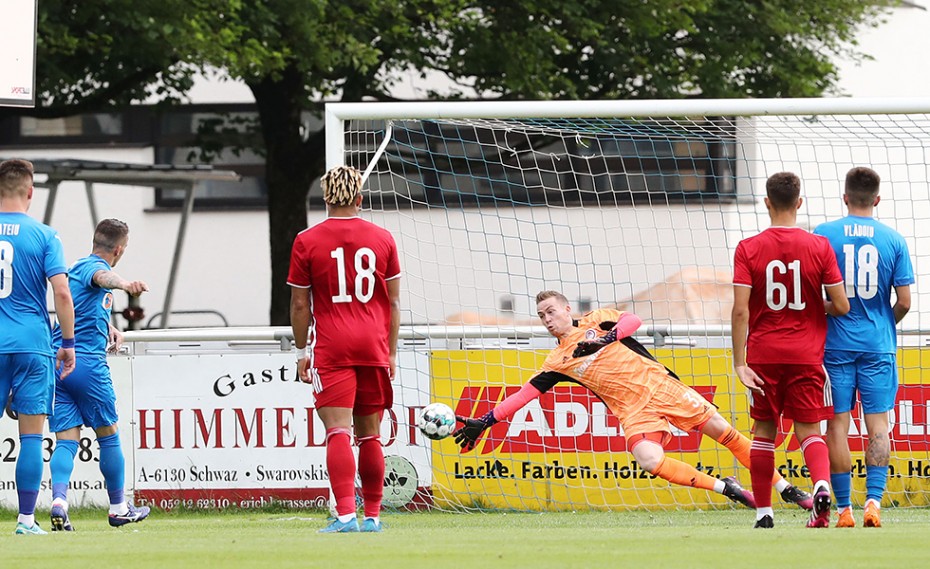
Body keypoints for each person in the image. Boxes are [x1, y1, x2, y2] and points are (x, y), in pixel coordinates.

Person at [454, 290, 815, 512]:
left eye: (551, 311)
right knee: (649, 459)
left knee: (723, 432)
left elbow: (634, 319)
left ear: (566, 308)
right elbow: (524, 394)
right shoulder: (557, 361)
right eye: (541, 316)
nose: (548, 319)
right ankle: (729, 488)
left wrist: (603, 339)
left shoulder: (597, 319)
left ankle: (786, 489)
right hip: (633, 410)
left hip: (661, 387)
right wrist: (486, 421)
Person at [731, 171, 851, 529]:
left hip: (763, 355)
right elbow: (841, 305)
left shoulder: (748, 248)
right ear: (799, 203)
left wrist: (739, 362)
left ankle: (764, 513)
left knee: (764, 433)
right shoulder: (819, 247)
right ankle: (821, 486)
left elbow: (740, 310)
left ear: (767, 203)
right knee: (810, 430)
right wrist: (817, 304)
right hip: (806, 354)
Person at [288, 165, 401, 533]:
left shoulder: (307, 240)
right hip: (374, 345)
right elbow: (395, 302)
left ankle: (345, 515)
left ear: (325, 198)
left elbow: (300, 304)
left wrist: (302, 349)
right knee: (369, 433)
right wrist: (392, 352)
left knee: (338, 430)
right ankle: (373, 517)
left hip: (333, 345)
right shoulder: (383, 238)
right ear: (359, 198)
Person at [813, 167, 913, 528]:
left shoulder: (823, 235)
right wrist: (883, 323)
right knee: (879, 426)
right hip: (877, 345)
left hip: (834, 345)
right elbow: (904, 301)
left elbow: (812, 294)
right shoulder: (893, 239)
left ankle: (843, 510)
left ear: (845, 197)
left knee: (837, 425)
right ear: (877, 199)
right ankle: (873, 503)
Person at [47, 218, 151, 531]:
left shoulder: (78, 269)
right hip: (87, 364)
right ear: (119, 249)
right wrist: (125, 284)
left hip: (59, 367)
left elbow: (83, 304)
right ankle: (119, 507)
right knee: (109, 435)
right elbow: (102, 277)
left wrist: (108, 326)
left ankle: (59, 502)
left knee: (66, 440)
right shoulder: (91, 268)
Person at [0, 158, 76, 535]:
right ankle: (26, 520)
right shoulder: (46, 235)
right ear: (30, 191)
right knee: (30, 435)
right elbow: (62, 291)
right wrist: (68, 342)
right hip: (31, 344)